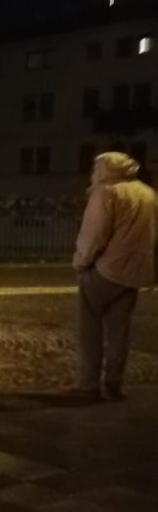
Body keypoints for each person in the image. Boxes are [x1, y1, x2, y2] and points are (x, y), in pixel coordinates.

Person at [70, 150, 158, 399]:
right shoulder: (149, 193)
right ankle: (114, 384)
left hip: (106, 270)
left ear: (103, 169)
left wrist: (81, 261)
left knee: (90, 330)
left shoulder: (107, 192)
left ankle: (88, 384)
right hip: (134, 273)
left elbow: (94, 234)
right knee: (120, 331)